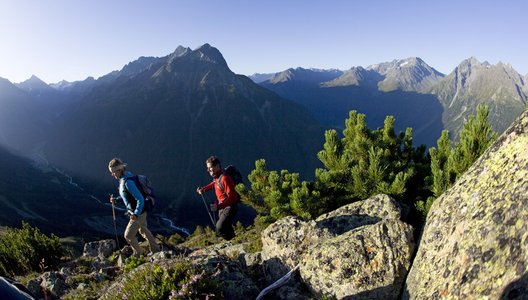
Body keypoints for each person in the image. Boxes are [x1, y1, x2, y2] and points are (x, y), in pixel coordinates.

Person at [108, 158, 159, 256]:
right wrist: (116, 199)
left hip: (138, 212)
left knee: (128, 235)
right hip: (140, 211)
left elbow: (140, 199)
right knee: (143, 230)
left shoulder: (127, 182)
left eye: (113, 172)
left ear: (119, 170)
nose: (112, 174)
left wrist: (136, 213)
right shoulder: (126, 178)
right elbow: (127, 195)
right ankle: (156, 250)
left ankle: (138, 253)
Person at [196, 156, 239, 240]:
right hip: (222, 206)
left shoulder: (225, 178)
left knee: (219, 228)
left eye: (210, 168)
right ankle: (235, 241)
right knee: (226, 228)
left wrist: (218, 207)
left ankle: (232, 243)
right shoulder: (218, 176)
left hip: (229, 207)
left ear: (217, 166)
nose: (208, 170)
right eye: (207, 168)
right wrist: (204, 189)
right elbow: (214, 183)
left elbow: (233, 197)